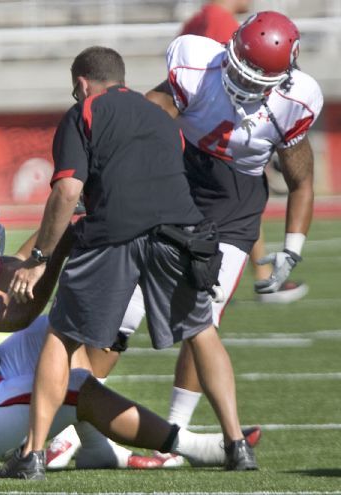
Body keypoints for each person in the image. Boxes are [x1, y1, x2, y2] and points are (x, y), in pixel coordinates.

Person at [0, 46, 256, 480]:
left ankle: (33, 453)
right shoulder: (161, 115)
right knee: (201, 330)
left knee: (63, 337)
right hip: (181, 234)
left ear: (81, 83)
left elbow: (67, 191)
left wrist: (38, 258)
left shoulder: (84, 113)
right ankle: (236, 444)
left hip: (112, 236)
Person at [0, 184, 245, 473]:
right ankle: (190, 447)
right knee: (75, 384)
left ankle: (95, 447)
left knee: (57, 336)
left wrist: (60, 220)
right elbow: (15, 317)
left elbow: (17, 266)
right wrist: (57, 254)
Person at [134, 10, 322, 467]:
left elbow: (301, 183)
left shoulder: (294, 102)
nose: (243, 84)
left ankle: (176, 435)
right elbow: (151, 112)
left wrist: (292, 249)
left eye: (259, 78)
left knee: (203, 317)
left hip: (235, 202)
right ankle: (82, 420)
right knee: (125, 304)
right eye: (239, 69)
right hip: (181, 176)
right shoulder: (198, 63)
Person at [181, 0, 309, 305]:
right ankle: (259, 279)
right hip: (221, 129)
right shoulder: (220, 21)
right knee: (240, 199)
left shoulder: (198, 20)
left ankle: (249, 276)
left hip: (199, 129)